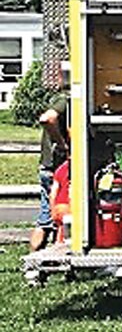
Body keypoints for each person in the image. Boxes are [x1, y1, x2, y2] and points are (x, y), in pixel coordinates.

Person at [30, 95, 70, 252]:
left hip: (49, 167)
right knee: (52, 218)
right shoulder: (65, 100)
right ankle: (37, 262)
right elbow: (47, 118)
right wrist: (62, 144)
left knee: (50, 218)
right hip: (56, 169)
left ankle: (39, 263)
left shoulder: (57, 98)